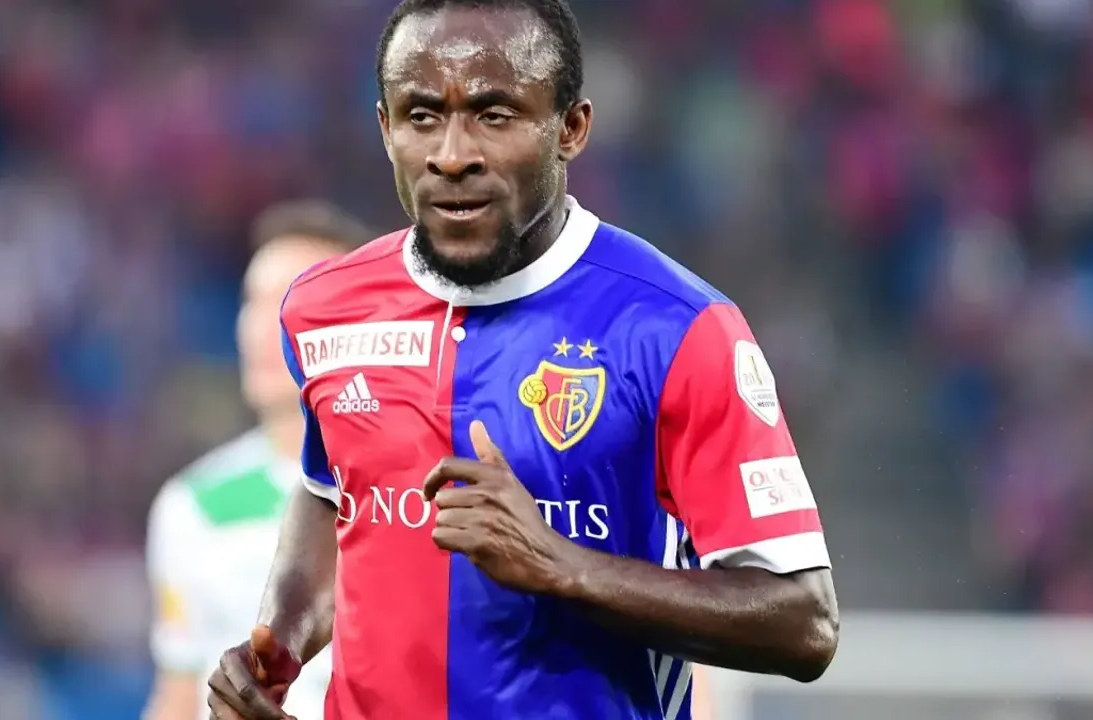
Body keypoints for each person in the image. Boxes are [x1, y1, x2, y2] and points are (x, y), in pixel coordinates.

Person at [207, 0, 839, 718]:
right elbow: (332, 493)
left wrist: (558, 565)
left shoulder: (676, 328)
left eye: (495, 114)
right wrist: (278, 643)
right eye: (421, 116)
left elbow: (804, 622)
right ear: (385, 128)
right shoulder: (326, 307)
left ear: (571, 128)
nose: (453, 154)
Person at [145, 201, 372, 720]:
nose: (263, 327)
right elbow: (179, 695)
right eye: (254, 301)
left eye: (292, 300)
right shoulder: (194, 504)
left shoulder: (409, 495)